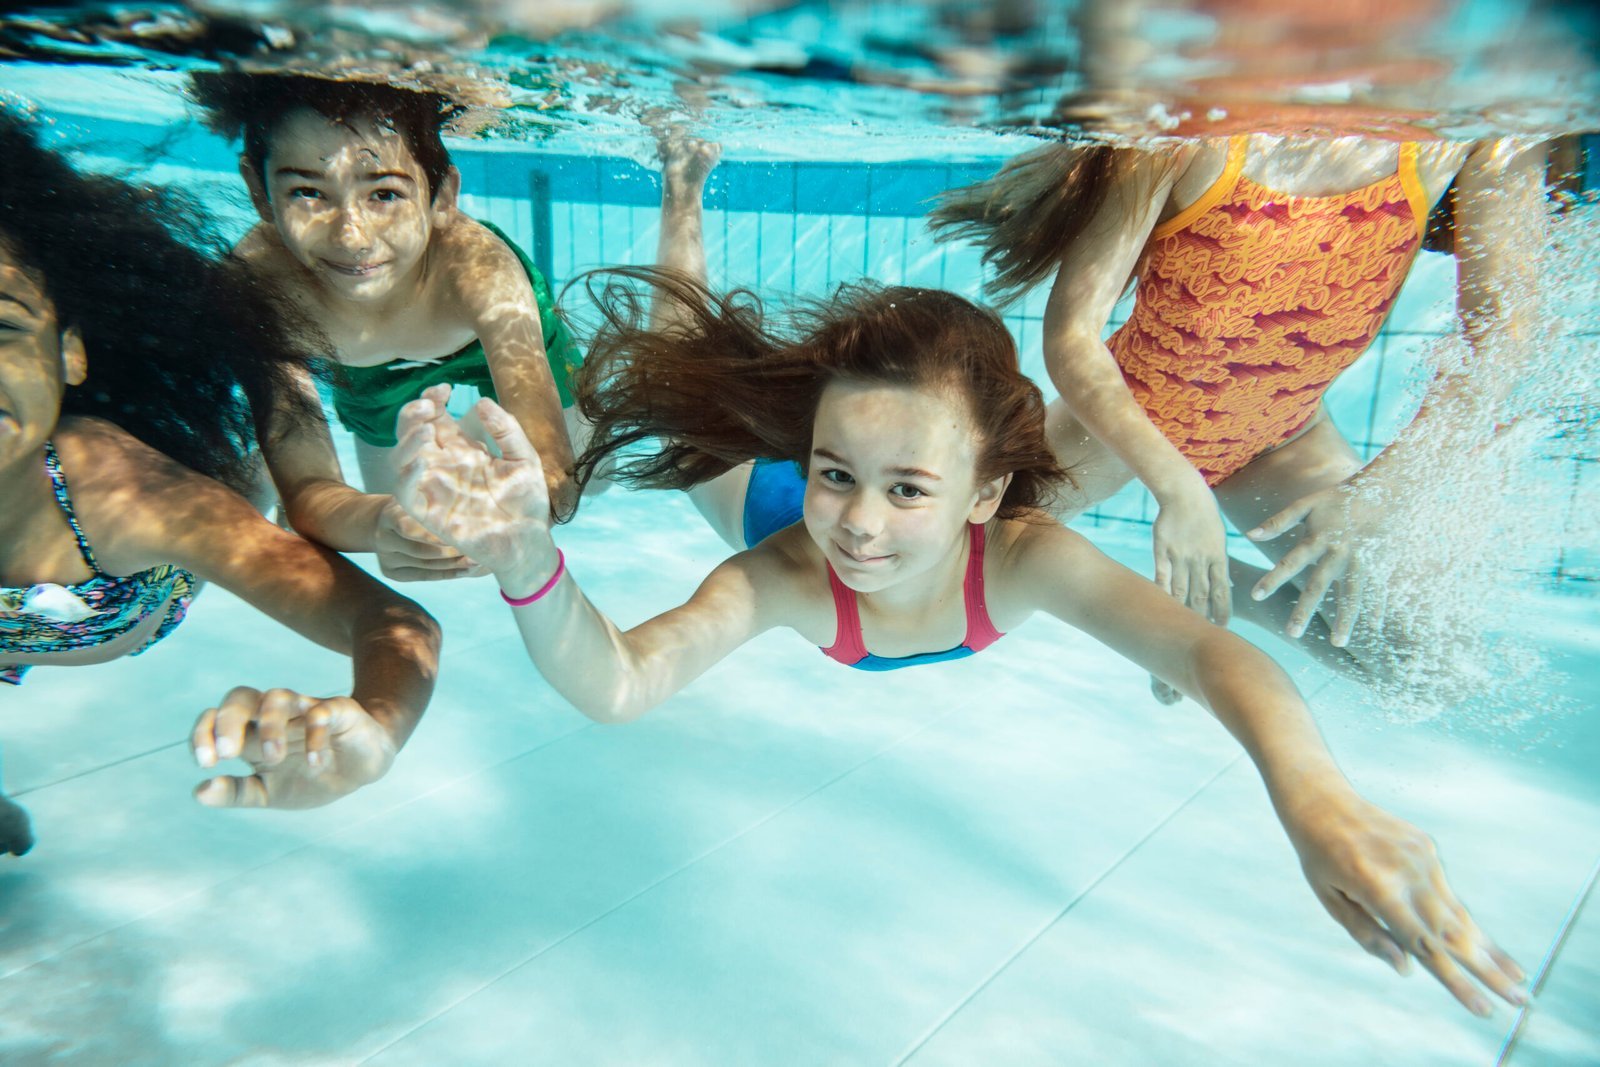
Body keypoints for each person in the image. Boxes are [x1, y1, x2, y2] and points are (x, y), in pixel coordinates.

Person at [391, 252, 1526, 1014]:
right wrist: (529, 564)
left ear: (985, 495)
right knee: (703, 436)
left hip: (899, 505)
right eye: (839, 472)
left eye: (907, 489)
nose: (861, 525)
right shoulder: (792, 566)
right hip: (761, 501)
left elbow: (1207, 651)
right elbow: (623, 682)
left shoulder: (1024, 555)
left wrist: (1315, 799)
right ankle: (695, 241)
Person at [928, 134, 1547, 685]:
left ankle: (1219, 590)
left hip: (1281, 436)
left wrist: (1373, 494)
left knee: (1414, 663)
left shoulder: (1473, 133)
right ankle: (1132, 607)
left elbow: (1504, 338)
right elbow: (1071, 336)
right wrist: (1179, 491)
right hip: (1127, 421)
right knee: (943, 570)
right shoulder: (1187, 133)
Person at [0, 111, 441, 855]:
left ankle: (271, 344)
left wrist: (377, 726)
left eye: (2, 327)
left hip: (143, 577)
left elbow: (393, 622)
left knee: (260, 425)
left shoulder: (123, 495)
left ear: (69, 351)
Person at [189, 70, 591, 580]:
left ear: (442, 196)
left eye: (384, 194)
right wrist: (382, 524)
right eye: (308, 192)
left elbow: (555, 477)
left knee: (594, 478)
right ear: (259, 191)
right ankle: (461, 433)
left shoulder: (482, 274)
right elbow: (309, 492)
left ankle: (472, 429)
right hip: (364, 369)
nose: (352, 238)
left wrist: (510, 521)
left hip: (481, 336)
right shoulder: (258, 290)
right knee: (395, 497)